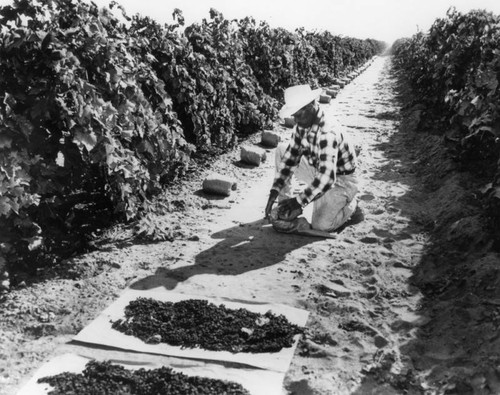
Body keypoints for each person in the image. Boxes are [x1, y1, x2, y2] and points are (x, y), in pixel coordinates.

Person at [264, 84, 360, 233]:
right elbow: (290, 158)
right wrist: (274, 192)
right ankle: (285, 206)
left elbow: (327, 178)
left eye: (298, 115)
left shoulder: (328, 132)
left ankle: (351, 204)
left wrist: (298, 201)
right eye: (293, 116)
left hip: (341, 181)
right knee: (283, 150)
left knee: (321, 226)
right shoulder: (302, 124)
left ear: (311, 106)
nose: (295, 120)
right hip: (319, 170)